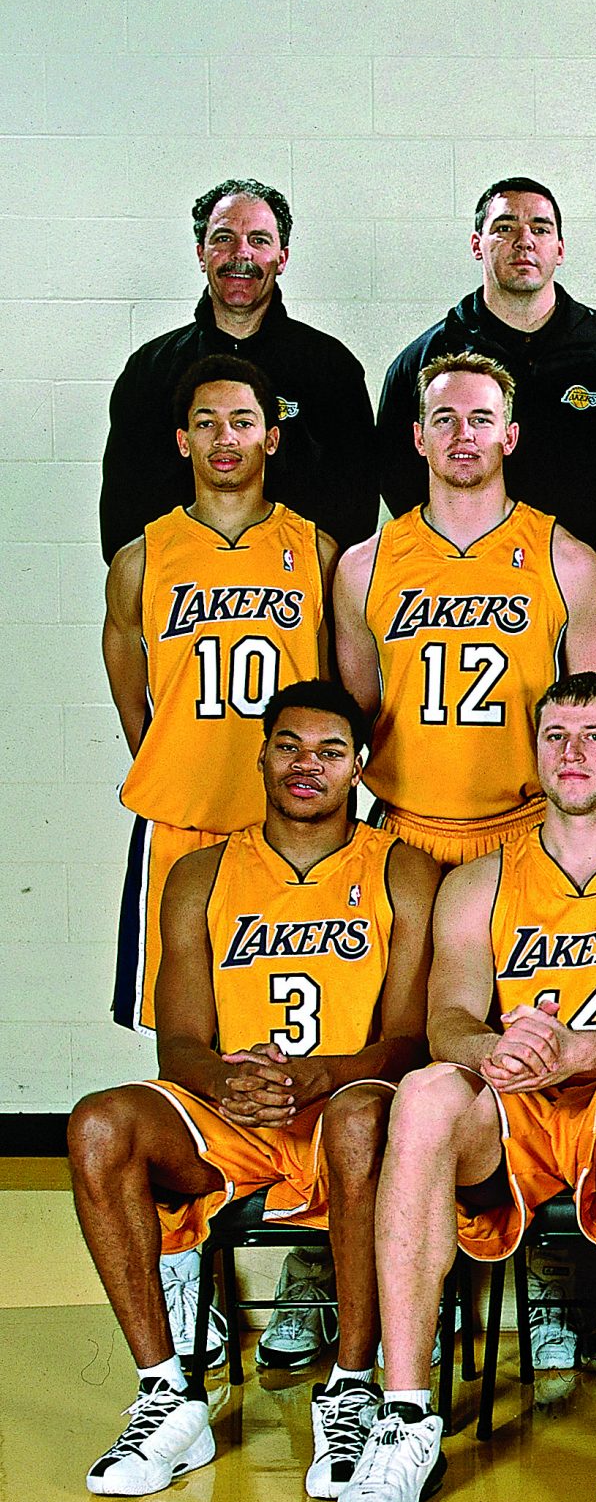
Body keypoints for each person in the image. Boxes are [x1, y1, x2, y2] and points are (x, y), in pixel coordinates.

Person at [337, 675, 596, 1502]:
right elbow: (447, 1019)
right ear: (536, 754)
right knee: (431, 1092)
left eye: (593, 736)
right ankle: (402, 1416)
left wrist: (590, 1048)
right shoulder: (480, 880)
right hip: (515, 1107)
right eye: (555, 736)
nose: (572, 752)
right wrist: (489, 1050)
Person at [68, 682, 436, 1500]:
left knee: (360, 1121)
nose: (308, 765)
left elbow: (410, 1040)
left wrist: (326, 1074)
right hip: (236, 1114)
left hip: (345, 1106)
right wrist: (227, 1083)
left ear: (361, 768)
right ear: (261, 754)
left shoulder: (403, 870)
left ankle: (351, 1386)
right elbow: (181, 1043)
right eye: (289, 746)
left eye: (330, 751)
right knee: (98, 1124)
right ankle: (167, 1396)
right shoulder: (201, 873)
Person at [107, 359, 332, 1034]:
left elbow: (337, 688)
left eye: (241, 421)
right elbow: (127, 677)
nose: (223, 437)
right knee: (178, 1019)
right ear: (184, 441)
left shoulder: (315, 550)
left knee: (278, 1007)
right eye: (205, 423)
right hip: (180, 818)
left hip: (283, 821)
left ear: (271, 437)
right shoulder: (142, 558)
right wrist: (168, 756)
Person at [335, 353, 596, 865]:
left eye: (481, 420)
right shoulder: (363, 566)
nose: (462, 434)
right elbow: (356, 717)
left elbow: (594, 727)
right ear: (419, 437)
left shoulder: (568, 560)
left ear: (509, 437)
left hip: (527, 830)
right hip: (404, 833)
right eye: (445, 419)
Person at [99, 178, 377, 560]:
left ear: (282, 257)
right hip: (182, 599)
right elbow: (122, 519)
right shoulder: (150, 370)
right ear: (201, 254)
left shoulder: (330, 368)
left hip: (293, 599)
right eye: (224, 238)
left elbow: (356, 513)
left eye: (259, 240)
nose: (240, 253)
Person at [375, 177, 596, 548]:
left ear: (559, 249)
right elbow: (396, 475)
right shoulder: (425, 359)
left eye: (540, 229)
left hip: (586, 570)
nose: (524, 240)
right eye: (505, 227)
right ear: (477, 245)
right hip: (471, 573)